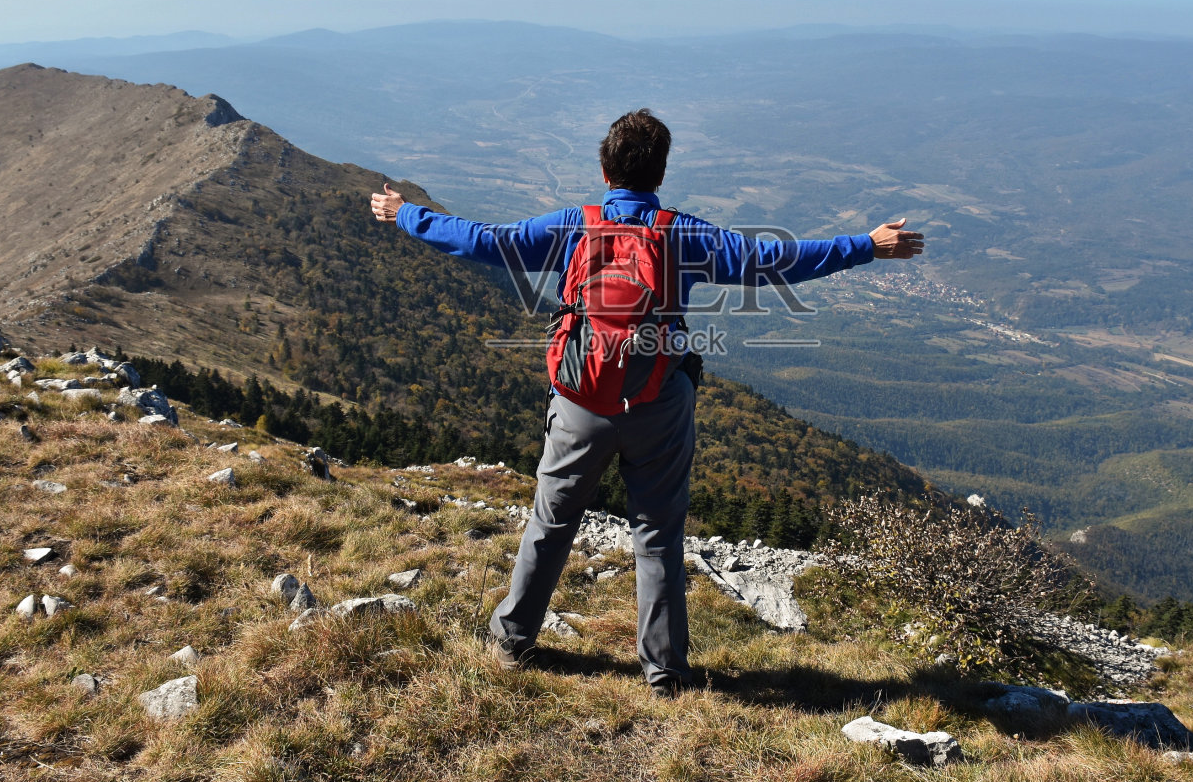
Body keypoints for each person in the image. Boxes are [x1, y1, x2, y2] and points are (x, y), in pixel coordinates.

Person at [370, 108, 922, 695]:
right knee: (657, 535)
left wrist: (405, 213)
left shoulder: (574, 226)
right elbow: (775, 262)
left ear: (605, 172)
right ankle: (664, 674)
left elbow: (484, 241)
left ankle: (511, 641)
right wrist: (867, 245)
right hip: (659, 398)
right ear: (659, 174)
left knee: (551, 522)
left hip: (581, 399)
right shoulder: (683, 233)